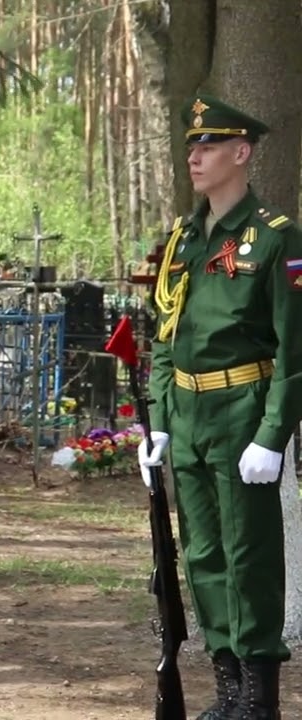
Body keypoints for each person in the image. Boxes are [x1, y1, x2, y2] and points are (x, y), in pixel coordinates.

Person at [139, 95, 302, 720]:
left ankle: (259, 698)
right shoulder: (184, 238)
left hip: (242, 413)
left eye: (207, 146)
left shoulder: (275, 240)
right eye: (190, 146)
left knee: (249, 556)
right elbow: (164, 335)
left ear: (242, 153)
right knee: (202, 554)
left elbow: (295, 350)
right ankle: (227, 687)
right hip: (187, 411)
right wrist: (156, 423)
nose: (194, 156)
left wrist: (273, 432)